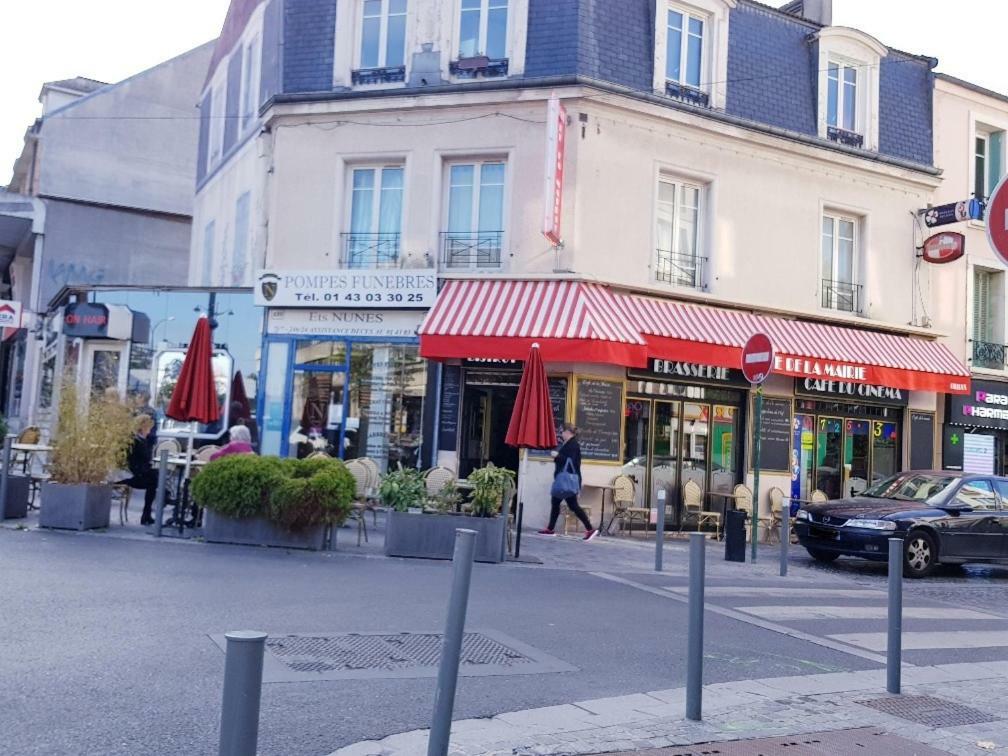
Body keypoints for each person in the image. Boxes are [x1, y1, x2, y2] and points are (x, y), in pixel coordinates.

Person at [538, 423, 599, 541]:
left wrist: (557, 456)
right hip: (567, 480)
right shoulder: (570, 444)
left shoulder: (573, 445)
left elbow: (571, 462)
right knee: (558, 502)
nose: (561, 434)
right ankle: (550, 529)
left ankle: (590, 529)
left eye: (562, 432)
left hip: (568, 480)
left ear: (568, 432)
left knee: (572, 505)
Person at [124, 415, 159, 526]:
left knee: (154, 478)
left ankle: (146, 514)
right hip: (133, 474)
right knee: (154, 480)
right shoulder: (134, 441)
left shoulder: (142, 440)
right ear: (143, 427)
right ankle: (146, 514)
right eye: (149, 428)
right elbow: (138, 460)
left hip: (140, 472)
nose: (150, 431)